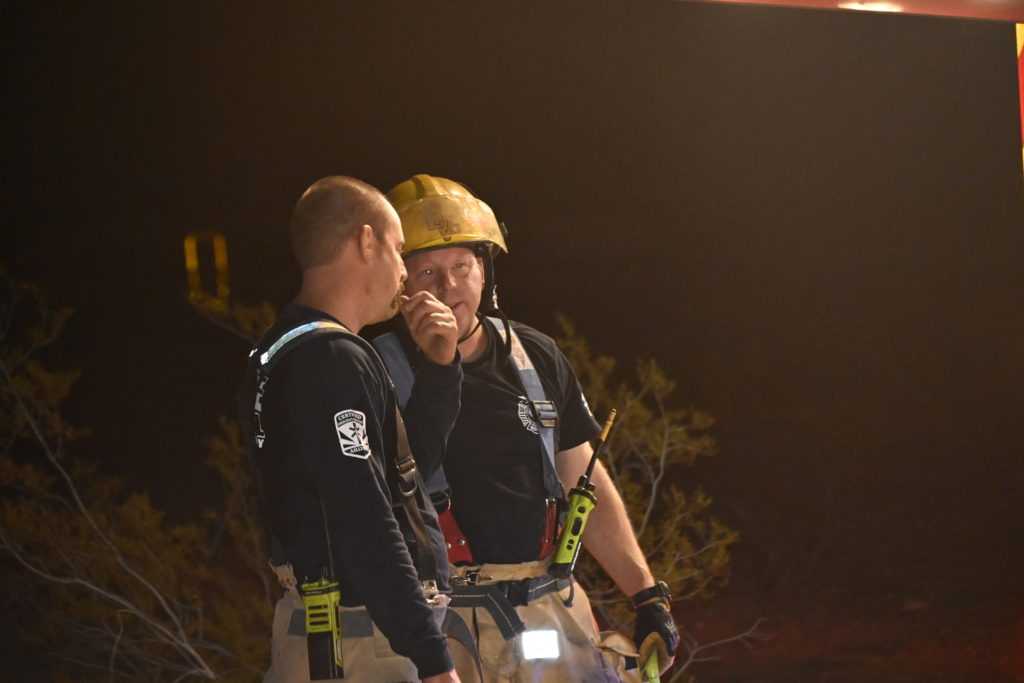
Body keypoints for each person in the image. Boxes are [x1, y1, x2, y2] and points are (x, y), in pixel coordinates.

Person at [373, 174, 679, 682]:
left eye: (461, 266)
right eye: (426, 271)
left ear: (484, 270)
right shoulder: (374, 369)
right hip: (438, 626)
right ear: (399, 282)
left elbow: (584, 482)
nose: (448, 288)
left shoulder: (534, 355)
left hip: (544, 609)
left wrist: (647, 595)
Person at [238, 175, 466, 683]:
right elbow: (363, 516)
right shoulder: (332, 358)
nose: (404, 272)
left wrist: (440, 369)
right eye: (399, 250)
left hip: (328, 628)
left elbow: (398, 481)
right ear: (367, 241)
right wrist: (433, 660)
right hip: (361, 641)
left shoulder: (279, 347)